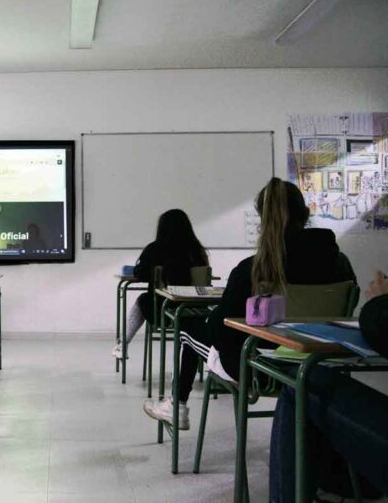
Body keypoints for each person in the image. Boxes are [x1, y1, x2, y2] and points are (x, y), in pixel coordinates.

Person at [143, 178, 356, 430]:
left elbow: (222, 334)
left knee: (188, 326)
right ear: (306, 214)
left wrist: (213, 318)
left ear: (261, 219)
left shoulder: (253, 269)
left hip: (258, 371)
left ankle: (176, 404)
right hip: (318, 367)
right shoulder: (340, 265)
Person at [269, 271, 388, 501]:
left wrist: (380, 303)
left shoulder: (249, 270)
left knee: (301, 382)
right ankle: (352, 482)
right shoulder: (341, 267)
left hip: (260, 364)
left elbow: (380, 325)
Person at [112, 209, 209, 359]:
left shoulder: (154, 249)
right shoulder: (196, 251)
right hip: (193, 313)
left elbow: (140, 272)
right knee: (148, 300)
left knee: (143, 299)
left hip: (163, 312)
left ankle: (122, 344)